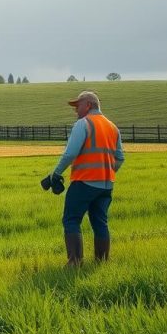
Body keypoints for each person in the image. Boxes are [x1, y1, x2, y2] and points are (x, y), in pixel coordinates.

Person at [45, 91, 125, 267]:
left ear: (88, 105)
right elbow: (120, 158)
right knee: (100, 222)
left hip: (84, 182)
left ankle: (75, 262)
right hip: (106, 186)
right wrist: (106, 171)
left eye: (78, 106)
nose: (76, 111)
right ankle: (101, 262)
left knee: (71, 220)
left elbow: (70, 154)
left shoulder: (84, 124)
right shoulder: (113, 127)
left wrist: (56, 174)